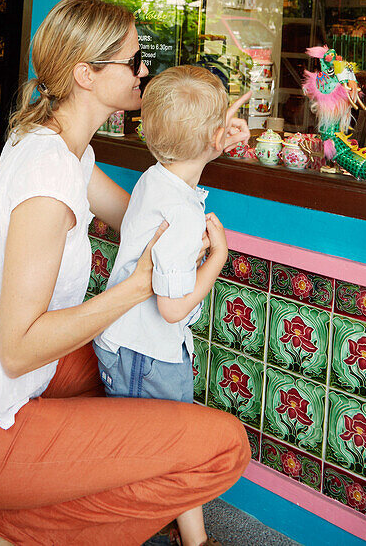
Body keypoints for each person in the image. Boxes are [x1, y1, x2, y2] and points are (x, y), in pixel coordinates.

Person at [0, 0, 251, 546]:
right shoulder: (48, 183)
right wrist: (136, 288)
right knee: (223, 446)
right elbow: (19, 347)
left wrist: (208, 144)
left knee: (125, 369)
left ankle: (21, 498)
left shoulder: (63, 146)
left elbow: (136, 217)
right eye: (135, 61)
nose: (145, 72)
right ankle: (0, 528)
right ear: (87, 74)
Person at [94, 65, 238, 546]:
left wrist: (217, 135)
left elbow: (193, 148)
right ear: (214, 136)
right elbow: (173, 309)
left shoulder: (157, 176)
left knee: (167, 448)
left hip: (131, 343)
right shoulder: (180, 211)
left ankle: (191, 538)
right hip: (148, 353)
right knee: (164, 454)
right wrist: (216, 259)